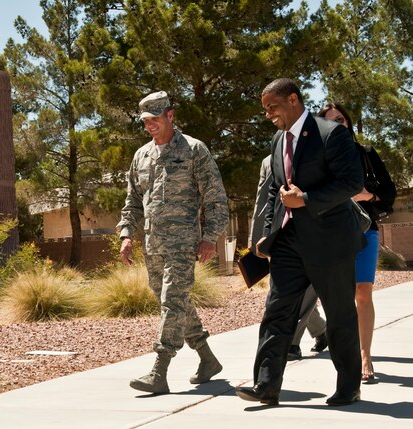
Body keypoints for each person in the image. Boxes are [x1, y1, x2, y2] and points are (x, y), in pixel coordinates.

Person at [237, 78, 365, 406]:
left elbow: (351, 182)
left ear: (293, 100)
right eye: (264, 109)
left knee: (339, 316)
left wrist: (306, 199)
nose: (268, 114)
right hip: (288, 243)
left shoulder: (330, 133)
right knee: (276, 312)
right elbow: (273, 191)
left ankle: (348, 386)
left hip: (330, 242)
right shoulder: (277, 141)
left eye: (272, 107)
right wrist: (267, 233)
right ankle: (266, 385)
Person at [117, 91, 229, 394]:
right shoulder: (141, 156)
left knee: (172, 301)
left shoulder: (194, 150)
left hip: (184, 244)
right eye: (145, 121)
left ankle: (160, 370)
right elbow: (133, 201)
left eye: (155, 119)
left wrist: (209, 238)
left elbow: (216, 199)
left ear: (170, 115)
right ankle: (207, 359)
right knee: (174, 302)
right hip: (153, 245)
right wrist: (127, 233)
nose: (150, 125)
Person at [317, 102, 397, 383]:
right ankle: (347, 356)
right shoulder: (317, 157)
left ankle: (365, 357)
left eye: (341, 119)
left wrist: (369, 196)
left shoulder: (364, 153)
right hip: (331, 233)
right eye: (330, 121)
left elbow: (388, 190)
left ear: (348, 122)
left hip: (364, 229)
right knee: (339, 297)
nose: (338, 124)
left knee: (363, 292)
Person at [249, 155, 328, 362]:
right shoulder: (270, 160)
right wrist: (257, 237)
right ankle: (321, 331)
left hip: (316, 235)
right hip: (280, 237)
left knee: (307, 291)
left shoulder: (321, 152)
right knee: (285, 291)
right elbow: (263, 198)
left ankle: (291, 342)